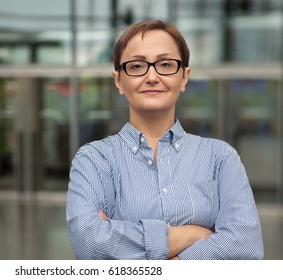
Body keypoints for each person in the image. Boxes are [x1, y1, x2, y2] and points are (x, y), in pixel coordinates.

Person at [66, 19, 264, 260]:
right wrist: (195, 236)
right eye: (137, 66)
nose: (152, 76)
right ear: (119, 80)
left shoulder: (220, 158)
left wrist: (171, 264)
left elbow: (246, 248)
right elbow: (90, 246)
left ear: (184, 77)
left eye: (165, 64)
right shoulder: (94, 159)